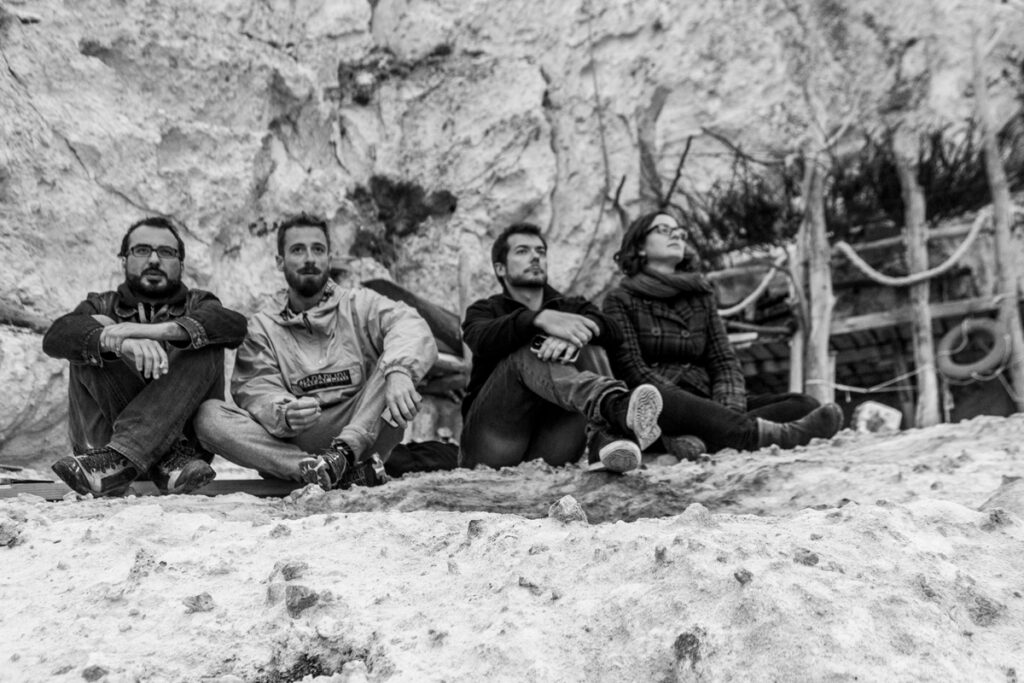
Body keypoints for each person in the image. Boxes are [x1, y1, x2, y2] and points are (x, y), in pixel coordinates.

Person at [195, 213, 438, 490]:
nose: (309, 258)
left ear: (329, 259)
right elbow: (256, 388)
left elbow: (409, 323)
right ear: (280, 261)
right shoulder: (262, 326)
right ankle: (316, 470)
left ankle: (343, 456)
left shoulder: (360, 304)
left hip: (363, 428)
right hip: (297, 437)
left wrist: (399, 371)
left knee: (395, 359)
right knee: (209, 416)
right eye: (298, 250)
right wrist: (284, 412)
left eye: (318, 249)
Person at [602, 211, 844, 456]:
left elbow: (723, 360)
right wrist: (700, 409)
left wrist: (725, 408)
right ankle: (750, 434)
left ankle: (699, 441)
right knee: (657, 397)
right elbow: (631, 369)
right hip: (664, 403)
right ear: (640, 247)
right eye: (664, 230)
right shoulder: (619, 299)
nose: (676, 235)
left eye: (680, 232)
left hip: (708, 396)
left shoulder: (700, 294)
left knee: (805, 405)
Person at [42, 216, 248, 496]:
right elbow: (57, 336)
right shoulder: (101, 302)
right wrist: (118, 341)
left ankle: (119, 460)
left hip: (177, 453)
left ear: (182, 265)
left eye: (165, 252)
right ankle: (154, 458)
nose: (154, 260)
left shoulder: (199, 303)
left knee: (204, 337)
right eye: (141, 250)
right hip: (122, 449)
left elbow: (233, 325)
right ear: (124, 261)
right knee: (95, 330)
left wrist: (152, 332)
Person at [460, 222, 664, 473]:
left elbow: (614, 331)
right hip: (491, 444)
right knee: (530, 348)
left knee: (589, 340)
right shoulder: (485, 310)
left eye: (541, 251)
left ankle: (607, 440)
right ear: (500, 268)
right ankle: (615, 406)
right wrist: (539, 320)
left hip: (552, 445)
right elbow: (479, 338)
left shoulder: (570, 306)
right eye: (523, 251)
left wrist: (571, 336)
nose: (535, 256)